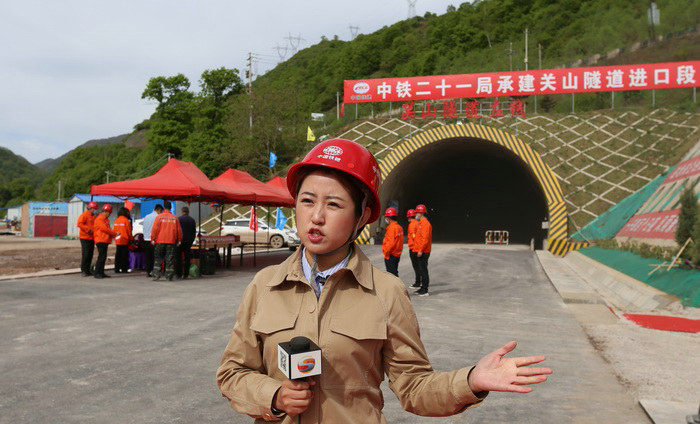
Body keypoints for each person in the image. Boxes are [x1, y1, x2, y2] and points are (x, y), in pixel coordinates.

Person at [217, 139, 551, 423]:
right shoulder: (264, 286)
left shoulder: (387, 293)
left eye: (334, 204)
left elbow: (414, 387)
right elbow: (232, 373)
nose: (316, 216)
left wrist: (471, 380)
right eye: (307, 201)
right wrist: (274, 395)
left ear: (362, 216)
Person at [151, 200, 182, 281]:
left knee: (158, 259)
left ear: (164, 207)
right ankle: (169, 276)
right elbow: (179, 230)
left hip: (160, 241)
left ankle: (156, 275)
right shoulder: (175, 218)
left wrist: (153, 239)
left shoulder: (159, 217)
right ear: (170, 208)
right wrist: (179, 240)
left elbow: (155, 229)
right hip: (171, 242)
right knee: (170, 259)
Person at [93, 204, 118, 279]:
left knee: (103, 257)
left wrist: (113, 234)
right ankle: (97, 273)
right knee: (101, 257)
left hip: (104, 240)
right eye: (109, 212)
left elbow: (107, 229)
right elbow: (105, 229)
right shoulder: (100, 219)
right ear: (105, 211)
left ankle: (101, 272)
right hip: (101, 240)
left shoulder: (105, 219)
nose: (110, 214)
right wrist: (114, 233)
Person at [412, 203, 432, 296]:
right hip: (420, 250)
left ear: (421, 213)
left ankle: (425, 289)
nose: (416, 214)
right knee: (421, 269)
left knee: (423, 270)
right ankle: (422, 287)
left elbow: (425, 239)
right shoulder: (421, 223)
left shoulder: (425, 224)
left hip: (423, 251)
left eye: (417, 212)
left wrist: (420, 250)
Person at [77, 201, 98, 277]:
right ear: (90, 208)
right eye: (94, 209)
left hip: (92, 238)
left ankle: (88, 270)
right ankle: (83, 270)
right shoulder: (84, 215)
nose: (94, 210)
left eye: (95, 209)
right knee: (85, 254)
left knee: (90, 254)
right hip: (85, 237)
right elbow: (79, 224)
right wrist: (88, 230)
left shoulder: (94, 216)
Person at [175, 206, 196, 279]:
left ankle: (179, 274)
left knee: (179, 258)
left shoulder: (178, 219)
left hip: (180, 241)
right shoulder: (192, 220)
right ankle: (186, 274)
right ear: (188, 212)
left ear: (182, 212)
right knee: (187, 258)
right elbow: (194, 232)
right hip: (188, 242)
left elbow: (176, 231)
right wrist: (191, 241)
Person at [143, 204, 163, 277]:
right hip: (153, 239)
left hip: (146, 239)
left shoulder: (146, 216)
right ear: (159, 210)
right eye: (161, 211)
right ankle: (154, 271)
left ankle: (148, 271)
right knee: (155, 257)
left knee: (148, 256)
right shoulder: (157, 217)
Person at [382, 207, 403, 277]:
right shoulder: (399, 227)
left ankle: (396, 284)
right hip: (397, 254)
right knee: (394, 273)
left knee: (391, 275)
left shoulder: (392, 228)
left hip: (391, 255)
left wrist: (386, 253)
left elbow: (391, 243)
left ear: (388, 218)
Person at [113, 207, 133, 273]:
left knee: (118, 255)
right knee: (124, 255)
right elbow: (129, 231)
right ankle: (124, 269)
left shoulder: (116, 220)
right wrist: (131, 239)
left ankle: (117, 269)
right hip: (124, 240)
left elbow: (115, 230)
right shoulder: (126, 221)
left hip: (117, 240)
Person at [406, 208, 420, 288]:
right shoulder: (418, 223)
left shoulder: (412, 224)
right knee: (419, 266)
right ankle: (419, 281)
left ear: (408, 216)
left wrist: (414, 247)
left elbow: (413, 236)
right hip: (417, 247)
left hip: (413, 248)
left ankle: (417, 282)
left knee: (416, 266)